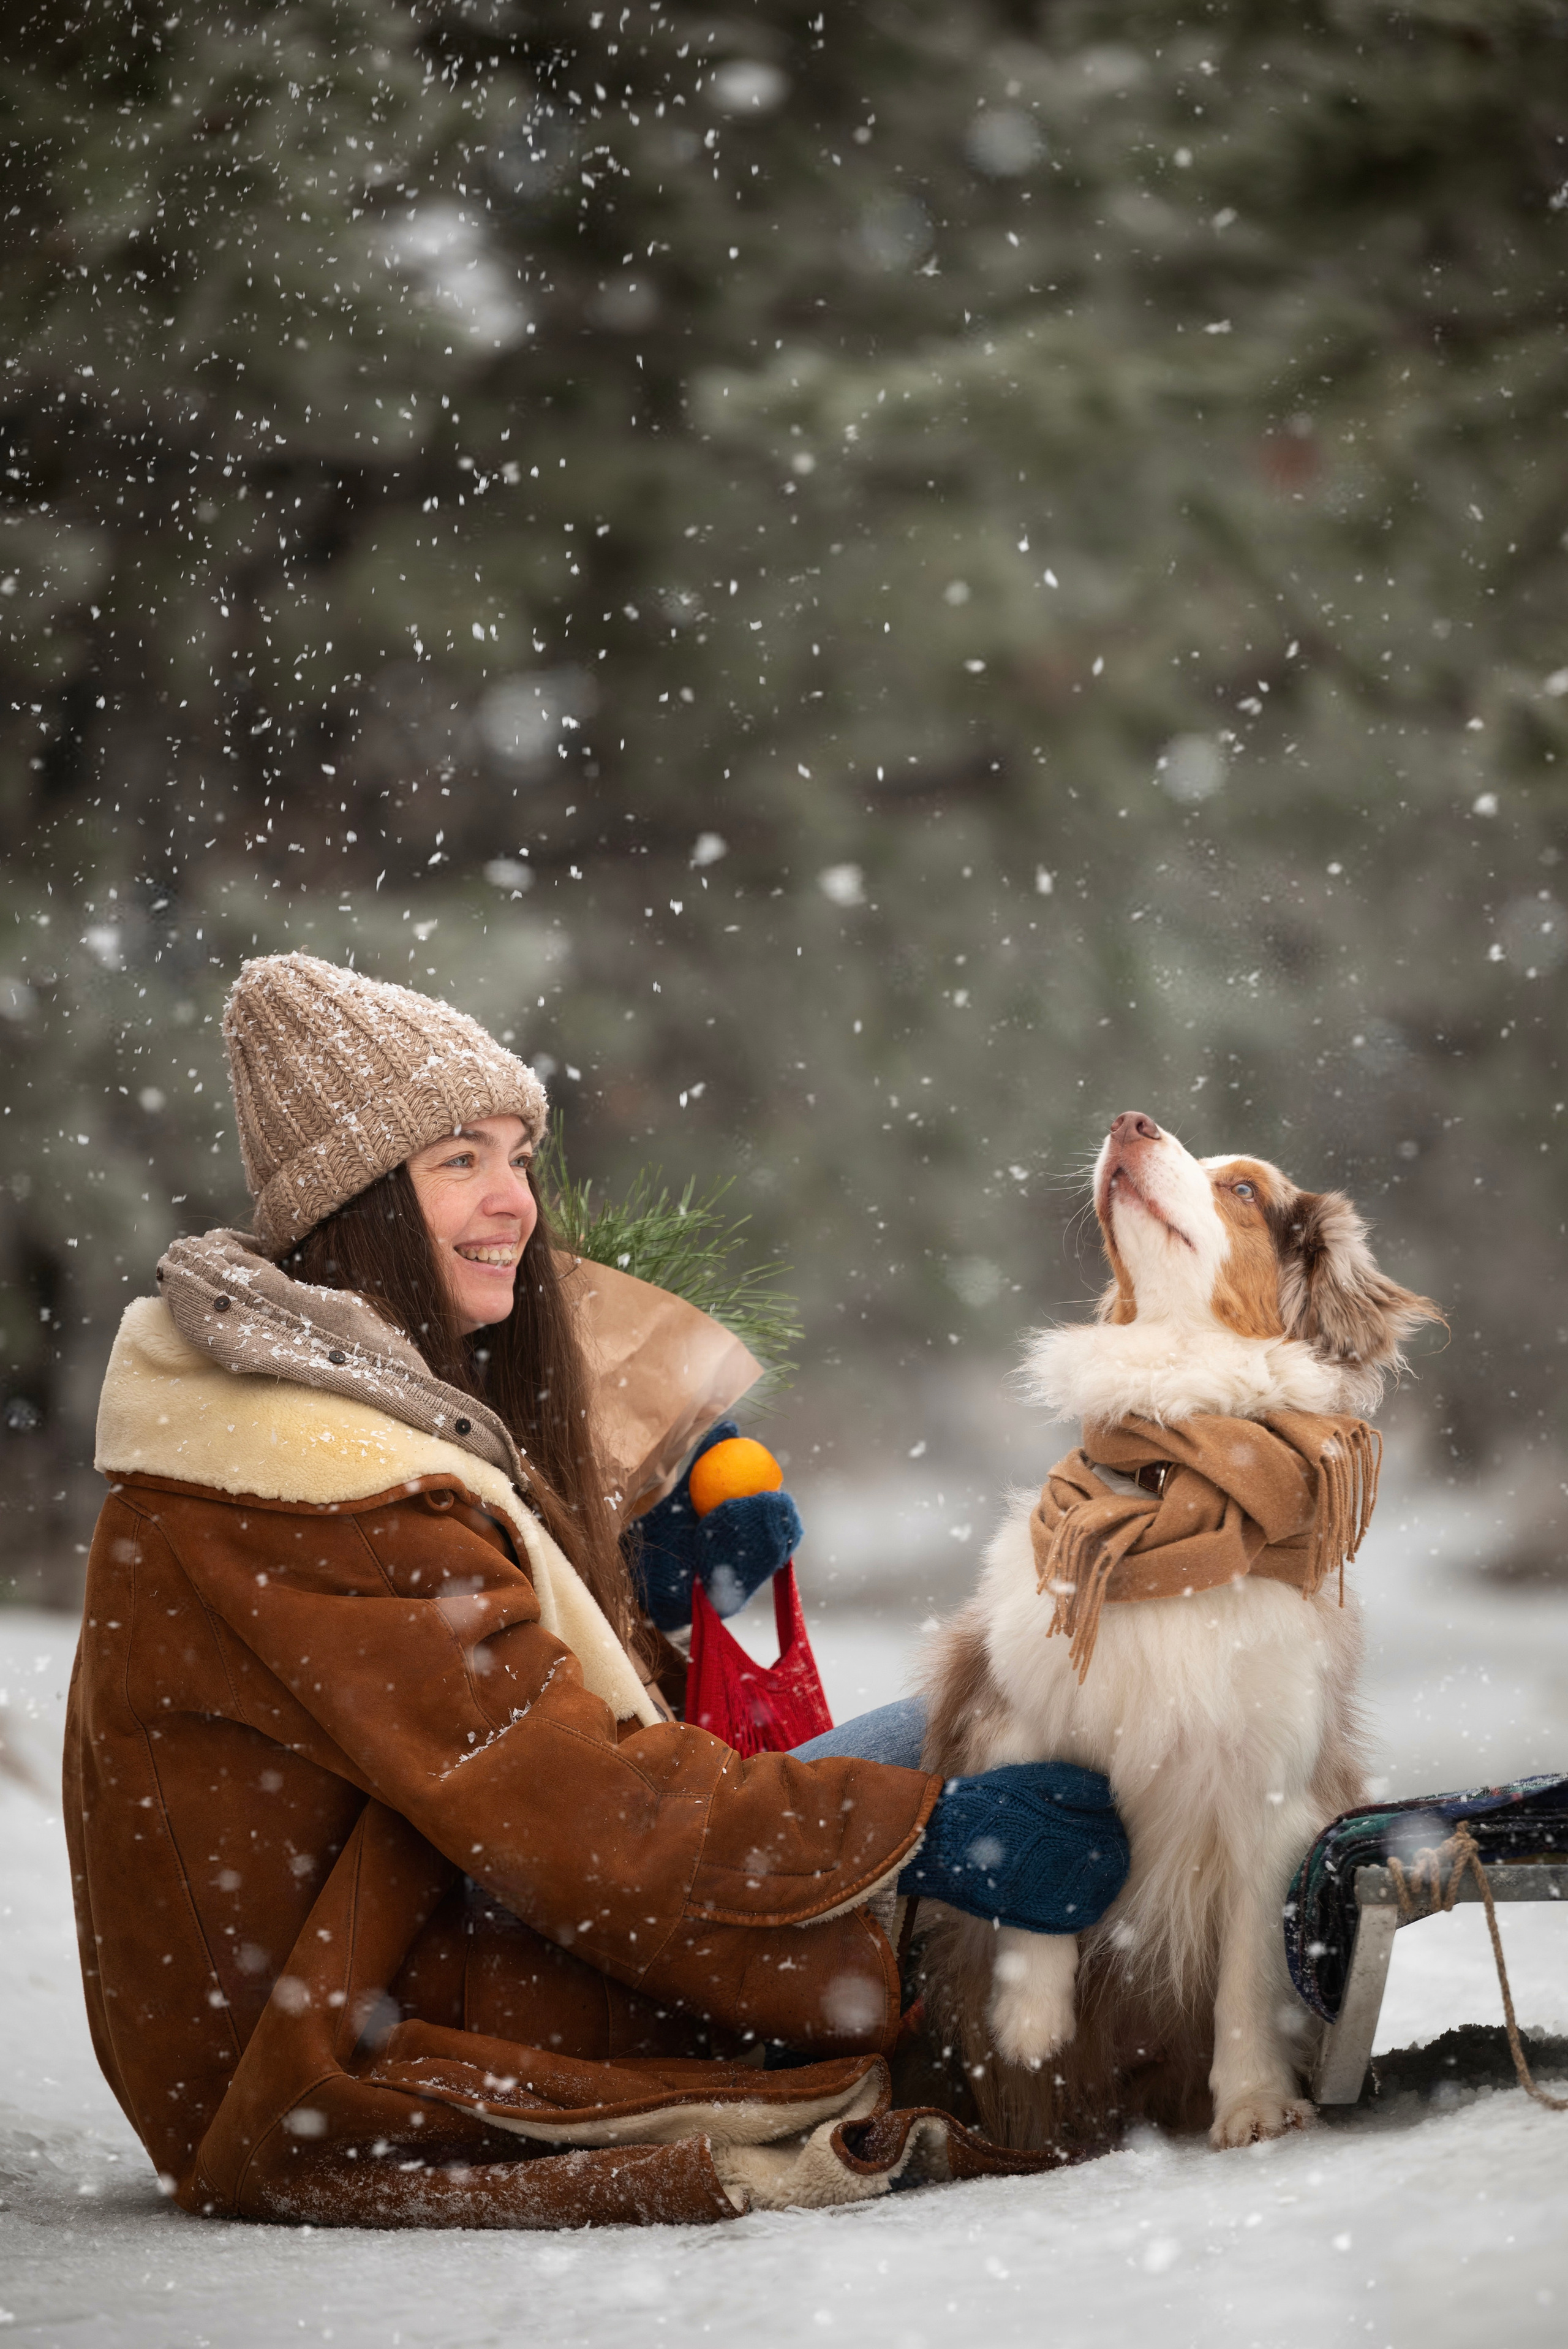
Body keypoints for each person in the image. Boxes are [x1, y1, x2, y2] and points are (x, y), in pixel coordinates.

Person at [65, 953, 1128, 2228]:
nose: (514, 1200)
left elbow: (482, 1745)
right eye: (459, 1159)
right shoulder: (306, 1480)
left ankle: (1270, 1936)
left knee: (1011, 1722)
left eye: (519, 1156)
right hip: (363, 2032)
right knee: (1005, 1733)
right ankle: (1276, 1952)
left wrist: (631, 1592)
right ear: (357, 1203)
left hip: (424, 1951)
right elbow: (580, 1805)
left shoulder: (326, 1409)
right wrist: (924, 1838)